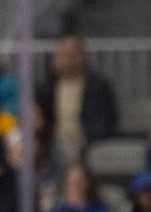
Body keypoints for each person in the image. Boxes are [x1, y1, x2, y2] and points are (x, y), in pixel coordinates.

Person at [36, 35, 118, 166]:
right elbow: (40, 115)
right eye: (60, 54)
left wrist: (86, 135)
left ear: (81, 56)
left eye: (68, 54)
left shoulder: (97, 86)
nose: (63, 60)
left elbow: (107, 120)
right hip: (53, 140)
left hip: (85, 141)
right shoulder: (47, 87)